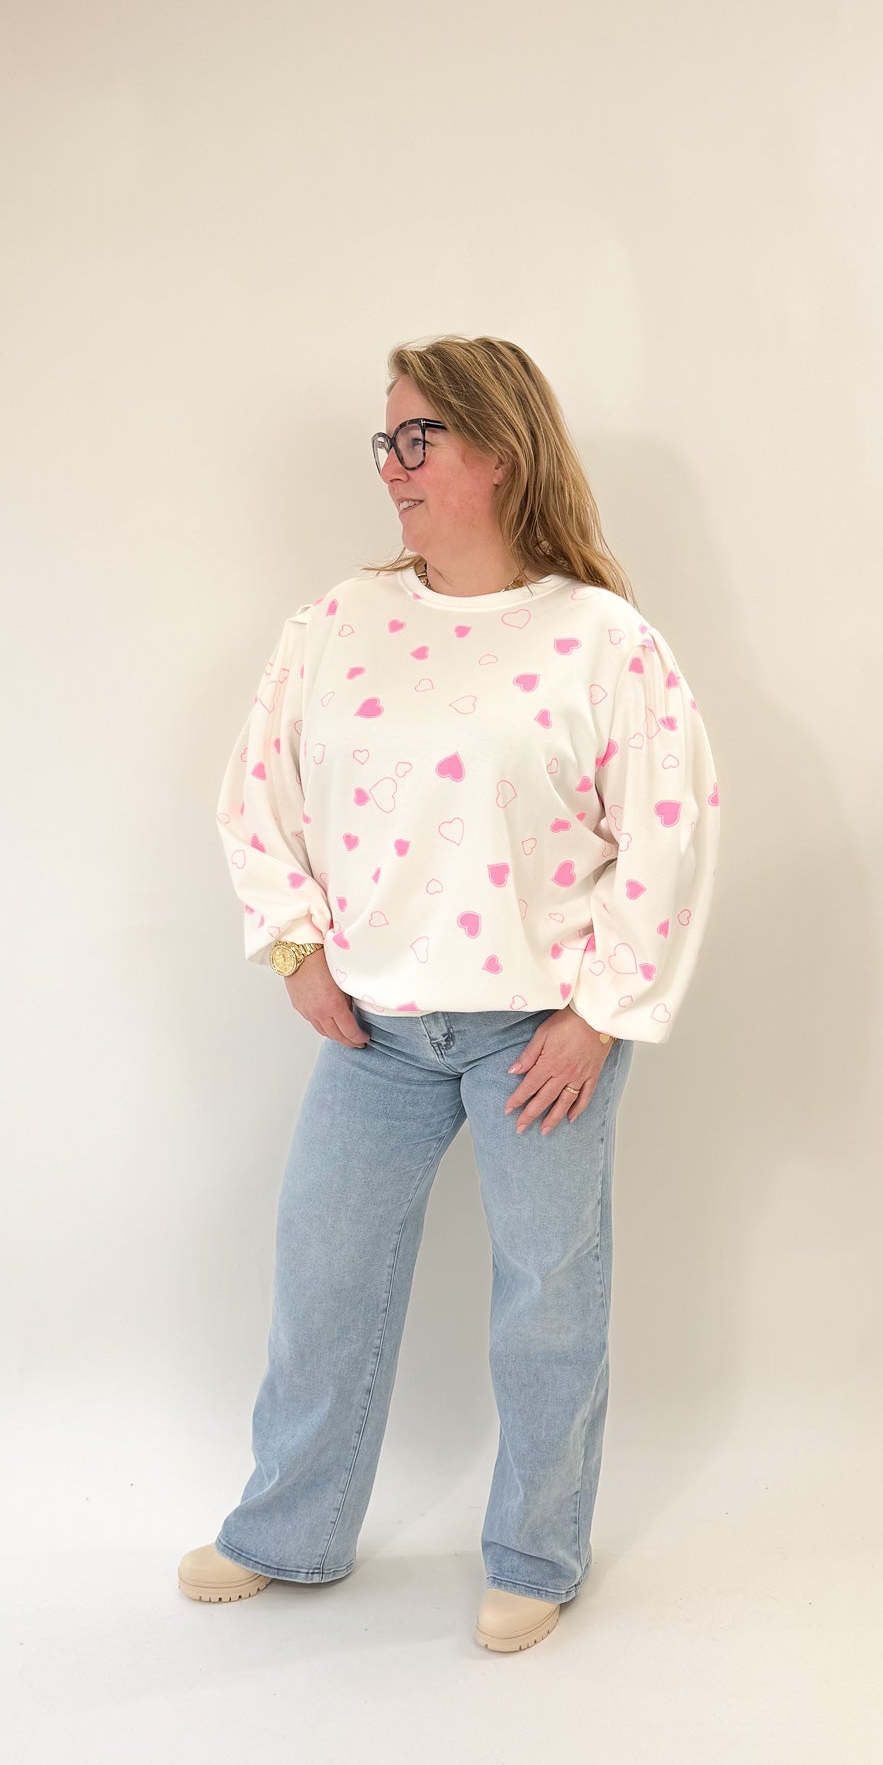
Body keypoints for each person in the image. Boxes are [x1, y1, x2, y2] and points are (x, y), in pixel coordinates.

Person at [178, 335, 721, 1654]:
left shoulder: (602, 641)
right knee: (322, 1275)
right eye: (388, 440)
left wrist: (598, 1016)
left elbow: (670, 827)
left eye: (419, 438)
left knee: (547, 1299)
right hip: (374, 1030)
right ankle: (289, 1531)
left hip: (538, 1035)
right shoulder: (339, 625)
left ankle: (537, 1554)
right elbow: (258, 794)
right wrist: (297, 952)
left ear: (502, 451)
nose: (394, 467)